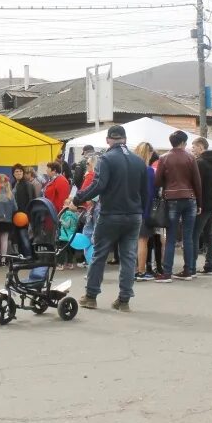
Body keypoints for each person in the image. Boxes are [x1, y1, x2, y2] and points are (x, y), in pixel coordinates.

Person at [74, 125, 149, 312]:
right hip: (134, 215)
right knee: (128, 257)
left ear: (108, 140)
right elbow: (146, 192)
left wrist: (78, 197)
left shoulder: (106, 159)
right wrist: (141, 212)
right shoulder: (138, 161)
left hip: (110, 215)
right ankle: (124, 300)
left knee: (99, 255)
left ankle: (91, 296)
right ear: (124, 139)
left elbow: (99, 185)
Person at [154, 130, 202, 282]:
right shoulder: (191, 158)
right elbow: (197, 181)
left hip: (172, 199)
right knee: (188, 236)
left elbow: (158, 181)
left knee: (171, 237)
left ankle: (167, 272)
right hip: (190, 198)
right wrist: (199, 202)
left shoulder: (164, 158)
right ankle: (189, 269)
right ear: (183, 142)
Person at [192, 137, 212, 276]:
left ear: (200, 147)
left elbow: (197, 185)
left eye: (194, 147)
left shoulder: (200, 163)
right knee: (208, 235)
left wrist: (198, 203)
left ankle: (191, 266)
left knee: (195, 234)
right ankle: (209, 265)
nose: (192, 150)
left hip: (203, 203)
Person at [133, 142, 157, 282]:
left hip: (131, 209)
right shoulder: (148, 171)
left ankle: (135, 269)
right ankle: (141, 271)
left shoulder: (131, 170)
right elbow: (149, 194)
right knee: (143, 240)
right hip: (143, 210)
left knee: (133, 241)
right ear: (149, 153)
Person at [58, 198, 81, 270]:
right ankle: (69, 264)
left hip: (65, 236)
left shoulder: (68, 215)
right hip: (70, 236)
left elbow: (67, 225)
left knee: (62, 250)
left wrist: (61, 221)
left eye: (65, 204)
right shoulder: (74, 215)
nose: (63, 205)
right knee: (69, 251)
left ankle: (61, 265)